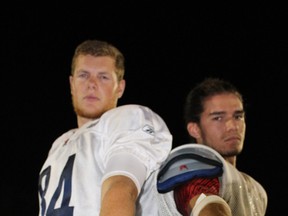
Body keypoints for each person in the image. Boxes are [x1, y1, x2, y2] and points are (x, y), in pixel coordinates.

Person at [37, 39, 173, 216]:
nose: (92, 84)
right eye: (83, 75)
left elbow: (120, 189)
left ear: (120, 88)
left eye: (103, 77)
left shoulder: (127, 119)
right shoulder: (59, 144)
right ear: (72, 84)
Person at [156, 77, 267, 216]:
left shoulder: (256, 189)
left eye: (238, 116)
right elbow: (199, 194)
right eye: (218, 118)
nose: (232, 126)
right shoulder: (193, 167)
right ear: (194, 129)